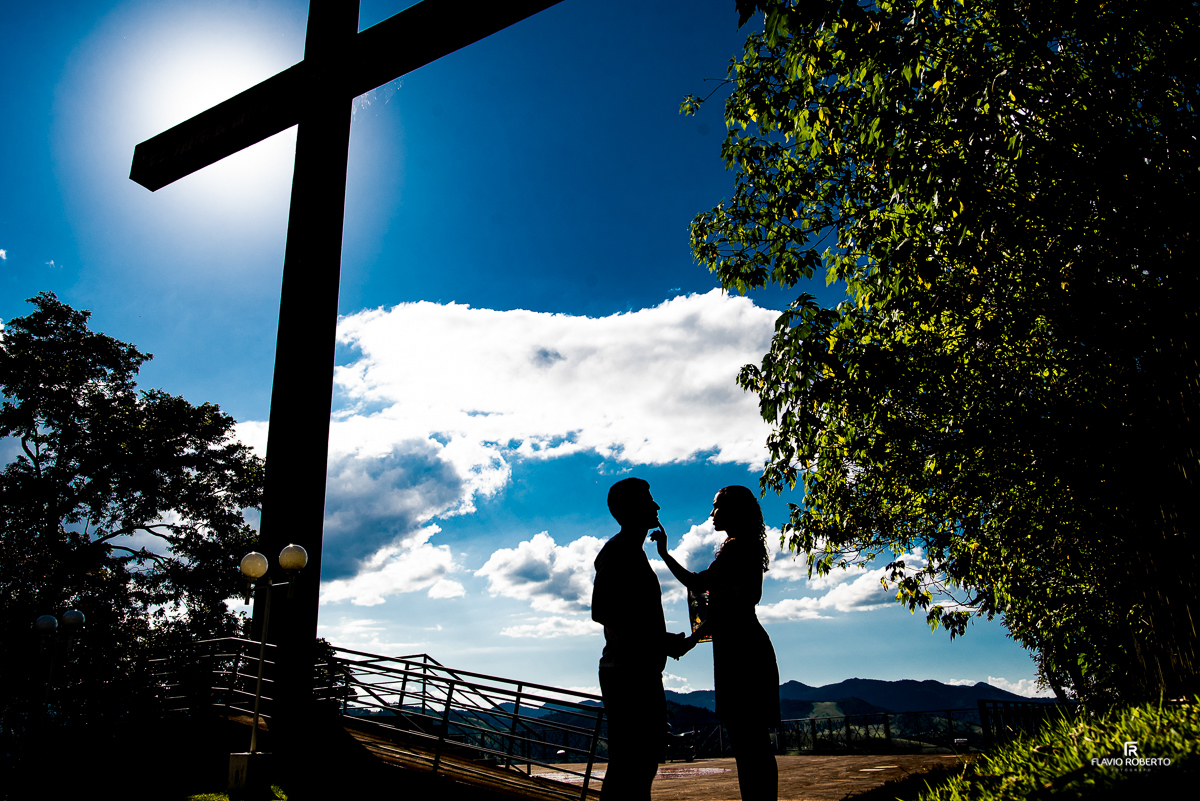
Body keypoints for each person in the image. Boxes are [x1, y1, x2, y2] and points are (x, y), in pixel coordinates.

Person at [652, 485, 780, 801]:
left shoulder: (736, 549)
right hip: (744, 646)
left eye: (717, 507)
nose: (712, 514)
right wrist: (693, 640)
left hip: (741, 653)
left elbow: (699, 585)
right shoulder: (745, 548)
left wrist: (665, 554)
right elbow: (724, 609)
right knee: (753, 743)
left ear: (733, 511)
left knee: (748, 743)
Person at [591, 478, 692, 801]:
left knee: (640, 764)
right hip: (627, 673)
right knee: (631, 765)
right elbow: (604, 610)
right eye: (649, 500)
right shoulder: (618, 552)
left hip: (639, 671)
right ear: (628, 510)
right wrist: (660, 640)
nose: (657, 506)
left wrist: (661, 641)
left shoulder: (634, 553)